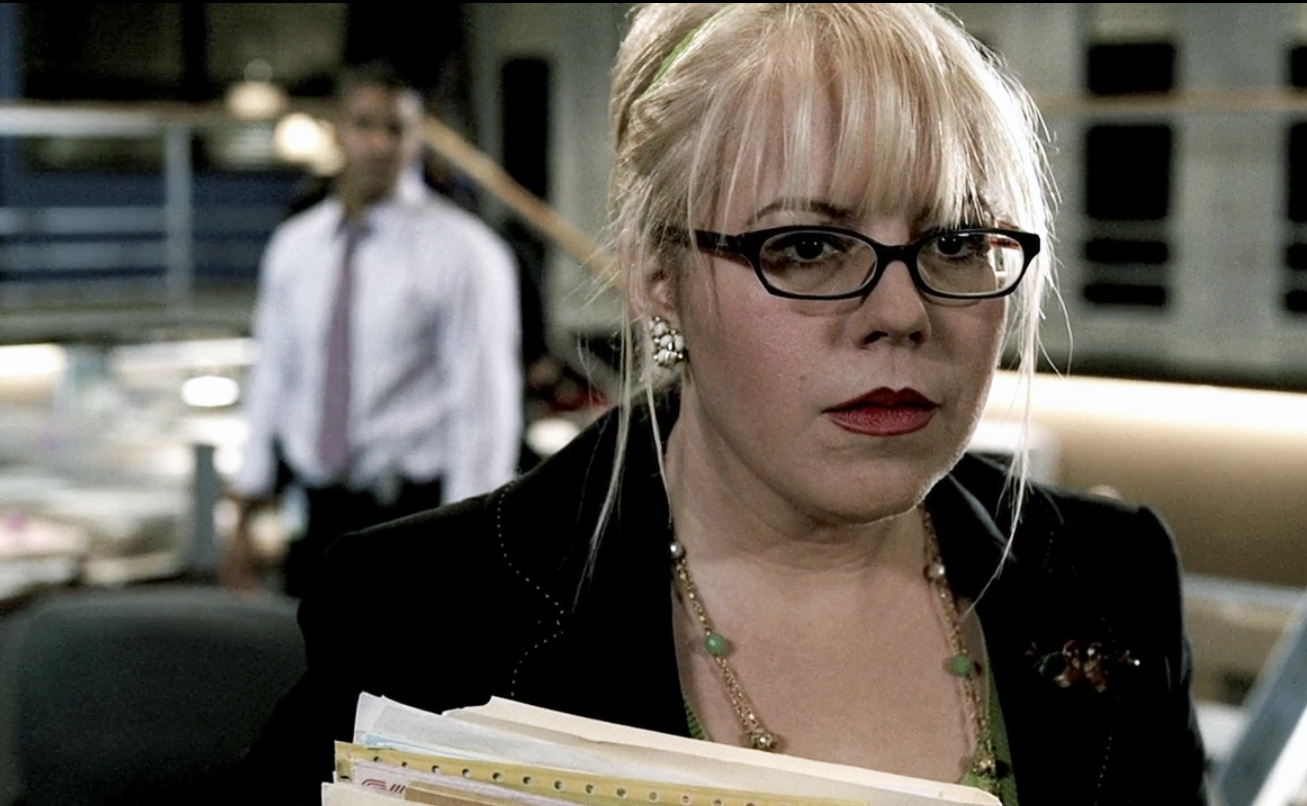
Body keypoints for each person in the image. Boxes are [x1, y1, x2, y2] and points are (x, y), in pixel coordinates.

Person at [246, 6, 1205, 804]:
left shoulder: (1113, 579)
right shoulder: (424, 609)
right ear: (657, 275)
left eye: (956, 243)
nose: (902, 312)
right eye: (805, 247)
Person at [222, 63, 522, 596]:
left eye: (396, 129)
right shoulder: (296, 247)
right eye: (364, 125)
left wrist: (471, 544)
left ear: (417, 139)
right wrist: (246, 503)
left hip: (410, 518)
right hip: (317, 517)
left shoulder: (465, 254)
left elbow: (482, 407)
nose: (380, 144)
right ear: (338, 131)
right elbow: (273, 376)